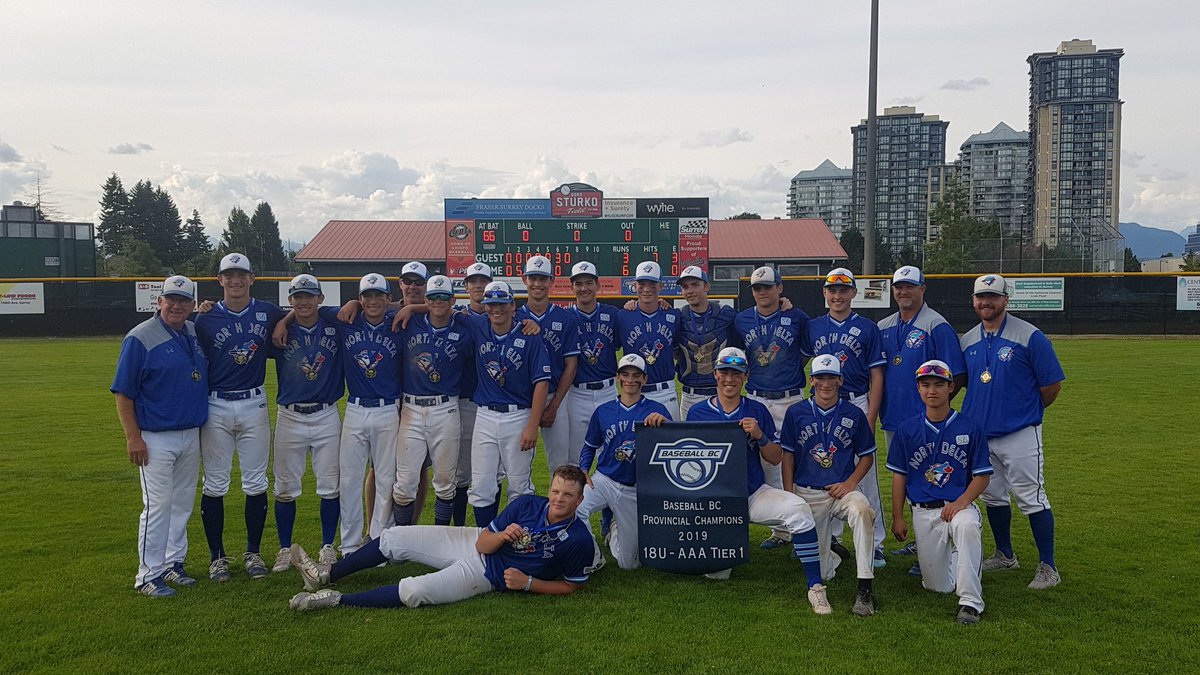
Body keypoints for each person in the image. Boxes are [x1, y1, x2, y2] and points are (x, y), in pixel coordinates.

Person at [287, 465, 596, 611]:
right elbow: (482, 544)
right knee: (394, 537)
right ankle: (325, 575)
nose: (558, 499)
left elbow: (572, 586)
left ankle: (335, 600)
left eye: (568, 495)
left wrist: (528, 583)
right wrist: (502, 535)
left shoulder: (579, 539)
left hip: (487, 574)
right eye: (555, 491)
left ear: (580, 500)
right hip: (477, 542)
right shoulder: (527, 504)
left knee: (416, 590)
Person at [687, 347, 832, 615]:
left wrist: (760, 435)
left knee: (798, 510)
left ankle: (815, 586)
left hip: (752, 493)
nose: (729, 379)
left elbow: (775, 458)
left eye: (736, 373)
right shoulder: (697, 412)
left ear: (746, 376)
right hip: (716, 504)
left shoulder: (756, 410)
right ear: (715, 374)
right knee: (717, 574)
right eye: (724, 372)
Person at [959, 274, 1065, 590]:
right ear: (973, 301)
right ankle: (1005, 554)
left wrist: (1024, 411)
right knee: (992, 495)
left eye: (993, 296)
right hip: (981, 434)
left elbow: (1051, 386)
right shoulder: (968, 339)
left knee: (1031, 497)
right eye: (981, 297)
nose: (986, 302)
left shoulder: (1030, 336)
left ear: (1006, 300)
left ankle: (1048, 566)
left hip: (1019, 432)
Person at [111, 275, 208, 597]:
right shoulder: (140, 337)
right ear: (159, 301)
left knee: (181, 503)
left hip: (190, 432)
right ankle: (147, 575)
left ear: (193, 305)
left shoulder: (192, 331)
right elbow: (123, 392)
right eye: (171, 299)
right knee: (157, 506)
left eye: (184, 301)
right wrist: (132, 437)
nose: (177, 306)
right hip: (155, 436)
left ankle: (172, 563)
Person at [194, 253, 286, 581]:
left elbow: (298, 315)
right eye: (229, 275)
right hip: (216, 404)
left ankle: (253, 552)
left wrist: (285, 321)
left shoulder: (268, 312)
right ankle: (217, 557)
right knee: (215, 483)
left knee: (256, 481)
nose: (235, 280)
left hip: (253, 402)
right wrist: (200, 308)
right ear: (219, 280)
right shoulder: (205, 318)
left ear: (251, 278)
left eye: (241, 274)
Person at [886, 360, 993, 624]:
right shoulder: (906, 430)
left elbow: (982, 476)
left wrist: (961, 502)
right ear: (918, 388)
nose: (932, 391)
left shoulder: (969, 427)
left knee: (967, 526)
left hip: (958, 505)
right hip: (923, 510)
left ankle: (970, 604)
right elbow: (899, 476)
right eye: (925, 385)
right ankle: (960, 557)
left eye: (938, 385)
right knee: (938, 586)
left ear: (950, 387)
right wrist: (898, 516)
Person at [877, 266, 966, 570]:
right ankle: (922, 541)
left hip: (927, 423)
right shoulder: (884, 326)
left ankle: (939, 548)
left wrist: (936, 413)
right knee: (909, 480)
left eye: (909, 286)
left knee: (935, 481)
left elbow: (956, 374)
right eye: (898, 286)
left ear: (922, 289)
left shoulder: (936, 325)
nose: (903, 292)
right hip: (894, 419)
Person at [778, 354, 878, 616]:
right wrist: (789, 497)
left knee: (862, 511)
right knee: (823, 573)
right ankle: (833, 554)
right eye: (820, 377)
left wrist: (850, 483)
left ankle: (865, 588)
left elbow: (867, 456)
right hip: (808, 492)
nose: (826, 383)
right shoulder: (796, 412)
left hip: (842, 490)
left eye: (831, 377)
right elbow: (787, 457)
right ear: (811, 380)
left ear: (840, 380)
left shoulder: (854, 414)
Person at [806, 267, 888, 567]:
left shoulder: (867, 327)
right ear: (824, 293)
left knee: (865, 475)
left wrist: (871, 415)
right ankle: (833, 538)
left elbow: (877, 375)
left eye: (843, 290)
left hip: (855, 400)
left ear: (854, 292)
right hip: (822, 403)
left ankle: (875, 543)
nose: (837, 295)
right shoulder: (813, 326)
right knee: (825, 467)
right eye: (832, 290)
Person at [268, 274, 344, 572]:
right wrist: (283, 321)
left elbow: (356, 308)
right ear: (290, 300)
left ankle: (327, 546)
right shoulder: (278, 329)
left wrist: (284, 319)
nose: (303, 301)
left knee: (330, 485)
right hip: (290, 414)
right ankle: (285, 549)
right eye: (298, 297)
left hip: (326, 413)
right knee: (285, 486)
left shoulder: (334, 323)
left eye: (309, 296)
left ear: (320, 298)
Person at [732, 265, 810, 550]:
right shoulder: (741, 319)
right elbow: (739, 357)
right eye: (757, 288)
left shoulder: (797, 317)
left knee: (796, 460)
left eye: (768, 286)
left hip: (790, 398)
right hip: (757, 397)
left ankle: (802, 522)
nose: (762, 292)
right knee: (763, 460)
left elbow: (804, 355)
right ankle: (780, 530)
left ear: (780, 288)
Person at [327, 274, 404, 556]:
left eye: (378, 296)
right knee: (349, 480)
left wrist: (410, 307)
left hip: (388, 409)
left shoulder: (399, 323)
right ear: (360, 299)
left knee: (386, 479)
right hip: (355, 408)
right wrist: (350, 304)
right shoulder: (346, 320)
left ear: (388, 299)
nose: (373, 301)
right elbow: (305, 309)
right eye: (367, 296)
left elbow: (436, 311)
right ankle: (349, 544)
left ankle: (378, 544)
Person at [464, 280, 551, 526]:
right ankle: (485, 537)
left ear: (513, 306)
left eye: (502, 303)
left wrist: (532, 425)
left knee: (519, 486)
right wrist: (410, 308)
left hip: (518, 415)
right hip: (485, 415)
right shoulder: (478, 325)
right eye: (491, 304)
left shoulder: (529, 335)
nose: (496, 309)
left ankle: (518, 539)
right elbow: (441, 309)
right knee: (481, 485)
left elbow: (541, 383)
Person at [577, 354, 671, 570]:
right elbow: (589, 446)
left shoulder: (657, 410)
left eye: (636, 375)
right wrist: (584, 470)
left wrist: (666, 424)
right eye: (625, 374)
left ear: (645, 379)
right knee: (575, 508)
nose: (631, 380)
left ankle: (614, 531)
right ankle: (593, 556)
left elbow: (672, 448)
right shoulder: (603, 411)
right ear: (617, 377)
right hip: (605, 479)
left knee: (629, 565)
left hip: (635, 488)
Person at [392, 275, 473, 527]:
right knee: (405, 484)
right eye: (433, 297)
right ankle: (403, 537)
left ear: (453, 300)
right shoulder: (409, 323)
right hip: (411, 409)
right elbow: (373, 309)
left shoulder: (464, 330)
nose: (438, 302)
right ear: (425, 301)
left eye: (444, 297)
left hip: (445, 408)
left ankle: (440, 537)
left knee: (445, 483)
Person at [517, 255, 581, 476]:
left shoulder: (566, 319)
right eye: (533, 278)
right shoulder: (514, 317)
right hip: (522, 398)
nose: (537, 283)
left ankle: (560, 500)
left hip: (554, 396)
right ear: (524, 279)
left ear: (551, 281)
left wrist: (554, 406)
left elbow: (571, 366)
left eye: (543, 278)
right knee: (517, 466)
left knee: (560, 465)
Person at [451, 261, 495, 525]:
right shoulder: (457, 316)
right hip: (465, 401)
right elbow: (431, 308)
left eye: (483, 281)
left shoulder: (504, 315)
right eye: (473, 281)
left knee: (495, 471)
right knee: (461, 471)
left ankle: (491, 529)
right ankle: (458, 529)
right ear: (465, 286)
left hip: (495, 405)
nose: (478, 285)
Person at [674, 265, 739, 420]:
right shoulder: (677, 318)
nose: (690, 291)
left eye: (695, 285)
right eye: (685, 287)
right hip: (689, 395)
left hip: (721, 394)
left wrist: (782, 302)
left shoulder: (727, 315)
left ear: (707, 286)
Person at [616, 261, 680, 412]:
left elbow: (678, 351)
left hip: (665, 391)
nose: (646, 289)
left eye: (652, 284)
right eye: (642, 284)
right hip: (635, 392)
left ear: (661, 286)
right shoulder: (622, 316)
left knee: (669, 429)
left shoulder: (673, 315)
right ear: (635, 285)